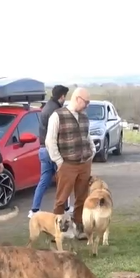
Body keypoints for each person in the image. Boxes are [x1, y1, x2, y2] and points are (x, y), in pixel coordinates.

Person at [45, 87, 95, 240]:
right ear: (77, 98)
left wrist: (92, 151)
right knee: (61, 198)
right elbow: (50, 141)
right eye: (86, 102)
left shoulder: (84, 117)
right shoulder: (57, 116)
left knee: (81, 197)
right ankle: (57, 231)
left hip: (84, 163)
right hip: (67, 164)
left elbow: (87, 136)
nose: (87, 105)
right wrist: (59, 161)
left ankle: (79, 229)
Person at [28, 85, 73, 218]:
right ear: (62, 96)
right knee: (63, 180)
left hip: (42, 149)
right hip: (53, 150)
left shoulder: (45, 108)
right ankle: (64, 209)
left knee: (43, 181)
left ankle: (34, 210)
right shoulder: (57, 111)